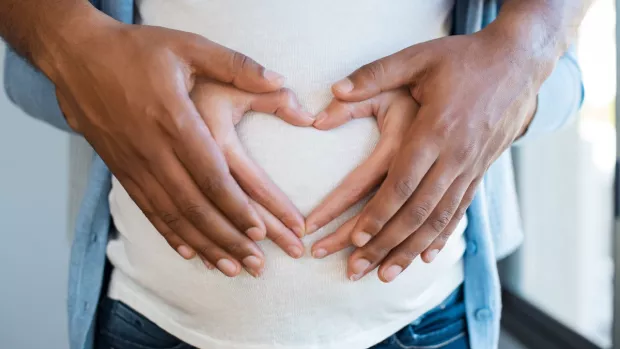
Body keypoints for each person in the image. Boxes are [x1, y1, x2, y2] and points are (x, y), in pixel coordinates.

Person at [1, 0, 588, 348]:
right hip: (154, 321)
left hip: (422, 323)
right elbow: (25, 75)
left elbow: (559, 75)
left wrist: (520, 61)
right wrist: (75, 47)